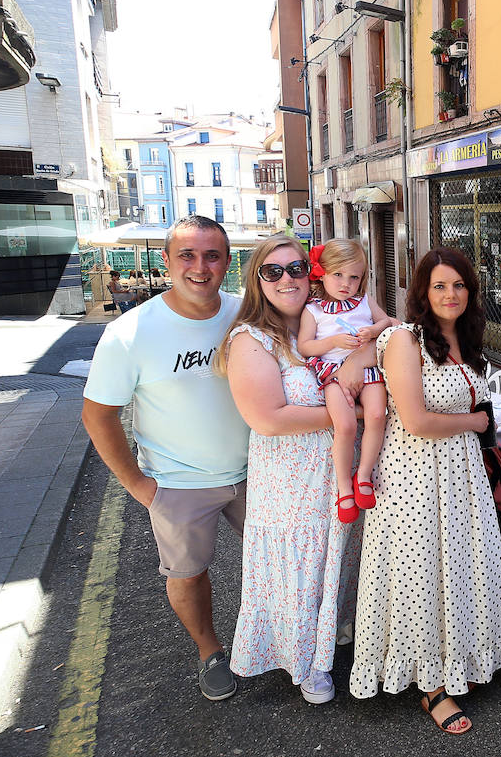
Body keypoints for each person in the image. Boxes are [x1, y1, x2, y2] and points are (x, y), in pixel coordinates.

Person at [348, 247, 501, 734]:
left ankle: (462, 658)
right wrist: (476, 422)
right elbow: (416, 420)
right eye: (440, 286)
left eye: (460, 285)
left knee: (461, 565)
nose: (451, 294)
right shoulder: (404, 339)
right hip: (414, 474)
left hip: (461, 473)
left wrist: (478, 430)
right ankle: (431, 686)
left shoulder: (465, 340)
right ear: (423, 293)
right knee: (420, 572)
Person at [81, 216, 249, 701]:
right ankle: (210, 651)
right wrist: (138, 485)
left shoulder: (247, 313)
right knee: (188, 574)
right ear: (167, 261)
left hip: (259, 472)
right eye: (187, 256)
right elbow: (98, 415)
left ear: (227, 261)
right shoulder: (129, 332)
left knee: (283, 557)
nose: (200, 267)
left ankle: (289, 638)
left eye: (212, 256)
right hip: (178, 482)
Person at [221, 236, 371, 705]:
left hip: (339, 474)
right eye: (273, 271)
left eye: (297, 268)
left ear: (313, 273)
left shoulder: (327, 319)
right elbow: (268, 418)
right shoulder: (251, 339)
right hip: (291, 485)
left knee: (339, 560)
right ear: (257, 281)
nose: (287, 278)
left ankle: (334, 633)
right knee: (300, 573)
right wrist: (353, 415)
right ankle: (306, 662)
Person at [296, 239, 394, 524]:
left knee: (377, 415)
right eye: (338, 274)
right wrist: (333, 342)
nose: (346, 283)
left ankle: (363, 474)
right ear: (322, 273)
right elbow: (304, 346)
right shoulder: (313, 310)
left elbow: (387, 322)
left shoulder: (364, 301)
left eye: (354, 277)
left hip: (368, 369)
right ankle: (343, 488)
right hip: (333, 374)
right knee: (346, 425)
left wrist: (372, 330)